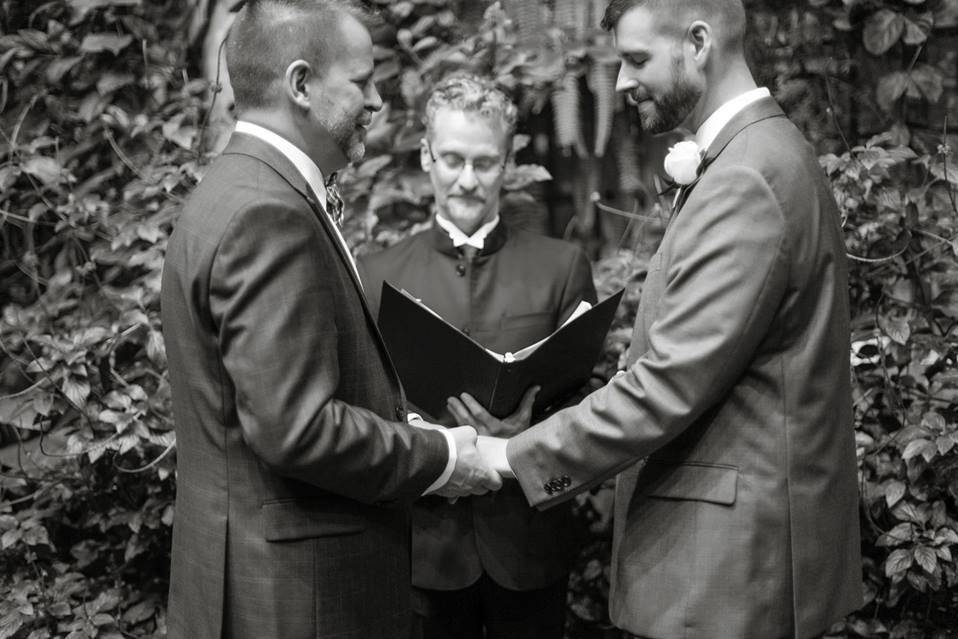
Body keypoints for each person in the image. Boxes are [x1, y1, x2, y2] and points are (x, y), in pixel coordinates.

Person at [476, 1, 864, 637]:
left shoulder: (748, 177)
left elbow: (666, 384)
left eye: (636, 60)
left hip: (731, 574)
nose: (623, 83)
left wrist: (508, 457)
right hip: (731, 564)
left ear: (699, 42)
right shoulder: (758, 155)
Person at [159, 3, 501, 638]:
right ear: (300, 85)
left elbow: (274, 397)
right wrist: (441, 455)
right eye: (362, 80)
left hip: (252, 579)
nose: (377, 100)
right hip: (298, 601)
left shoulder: (232, 189)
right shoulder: (269, 214)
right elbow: (298, 429)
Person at [359, 74, 597, 639]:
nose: (467, 180)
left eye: (485, 163)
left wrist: (528, 427)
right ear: (426, 157)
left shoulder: (561, 268)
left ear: (508, 163)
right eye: (452, 160)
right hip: (422, 550)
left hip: (530, 545)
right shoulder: (375, 276)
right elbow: (363, 407)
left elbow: (594, 401)